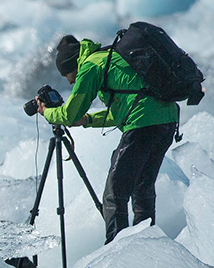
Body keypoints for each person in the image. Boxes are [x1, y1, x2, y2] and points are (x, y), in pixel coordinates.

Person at [40, 33, 179, 243]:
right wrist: (87, 120)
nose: (70, 82)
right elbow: (127, 108)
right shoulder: (109, 57)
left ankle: (116, 252)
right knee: (142, 188)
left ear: (73, 66)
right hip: (167, 120)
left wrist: (46, 112)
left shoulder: (90, 66)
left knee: (114, 194)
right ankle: (147, 246)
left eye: (69, 76)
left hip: (142, 124)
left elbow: (69, 114)